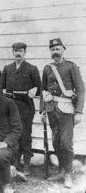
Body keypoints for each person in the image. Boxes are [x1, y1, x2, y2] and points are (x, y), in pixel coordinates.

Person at [40, 38, 85, 188]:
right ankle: (60, 171)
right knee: (56, 142)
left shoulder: (71, 67)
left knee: (66, 143)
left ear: (63, 50)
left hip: (67, 111)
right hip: (52, 109)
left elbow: (80, 90)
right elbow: (43, 91)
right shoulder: (47, 68)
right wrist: (42, 111)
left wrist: (78, 111)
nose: (55, 52)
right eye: (52, 49)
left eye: (58, 49)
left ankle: (68, 174)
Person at [0, 42, 41, 175]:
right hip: (11, 107)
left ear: (25, 52)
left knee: (25, 135)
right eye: (16, 51)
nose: (18, 53)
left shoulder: (31, 69)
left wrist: (34, 90)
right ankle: (16, 161)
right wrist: (5, 92)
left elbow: (39, 88)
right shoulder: (7, 69)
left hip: (26, 108)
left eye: (21, 51)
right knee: (14, 134)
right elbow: (1, 88)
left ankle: (27, 163)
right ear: (13, 52)